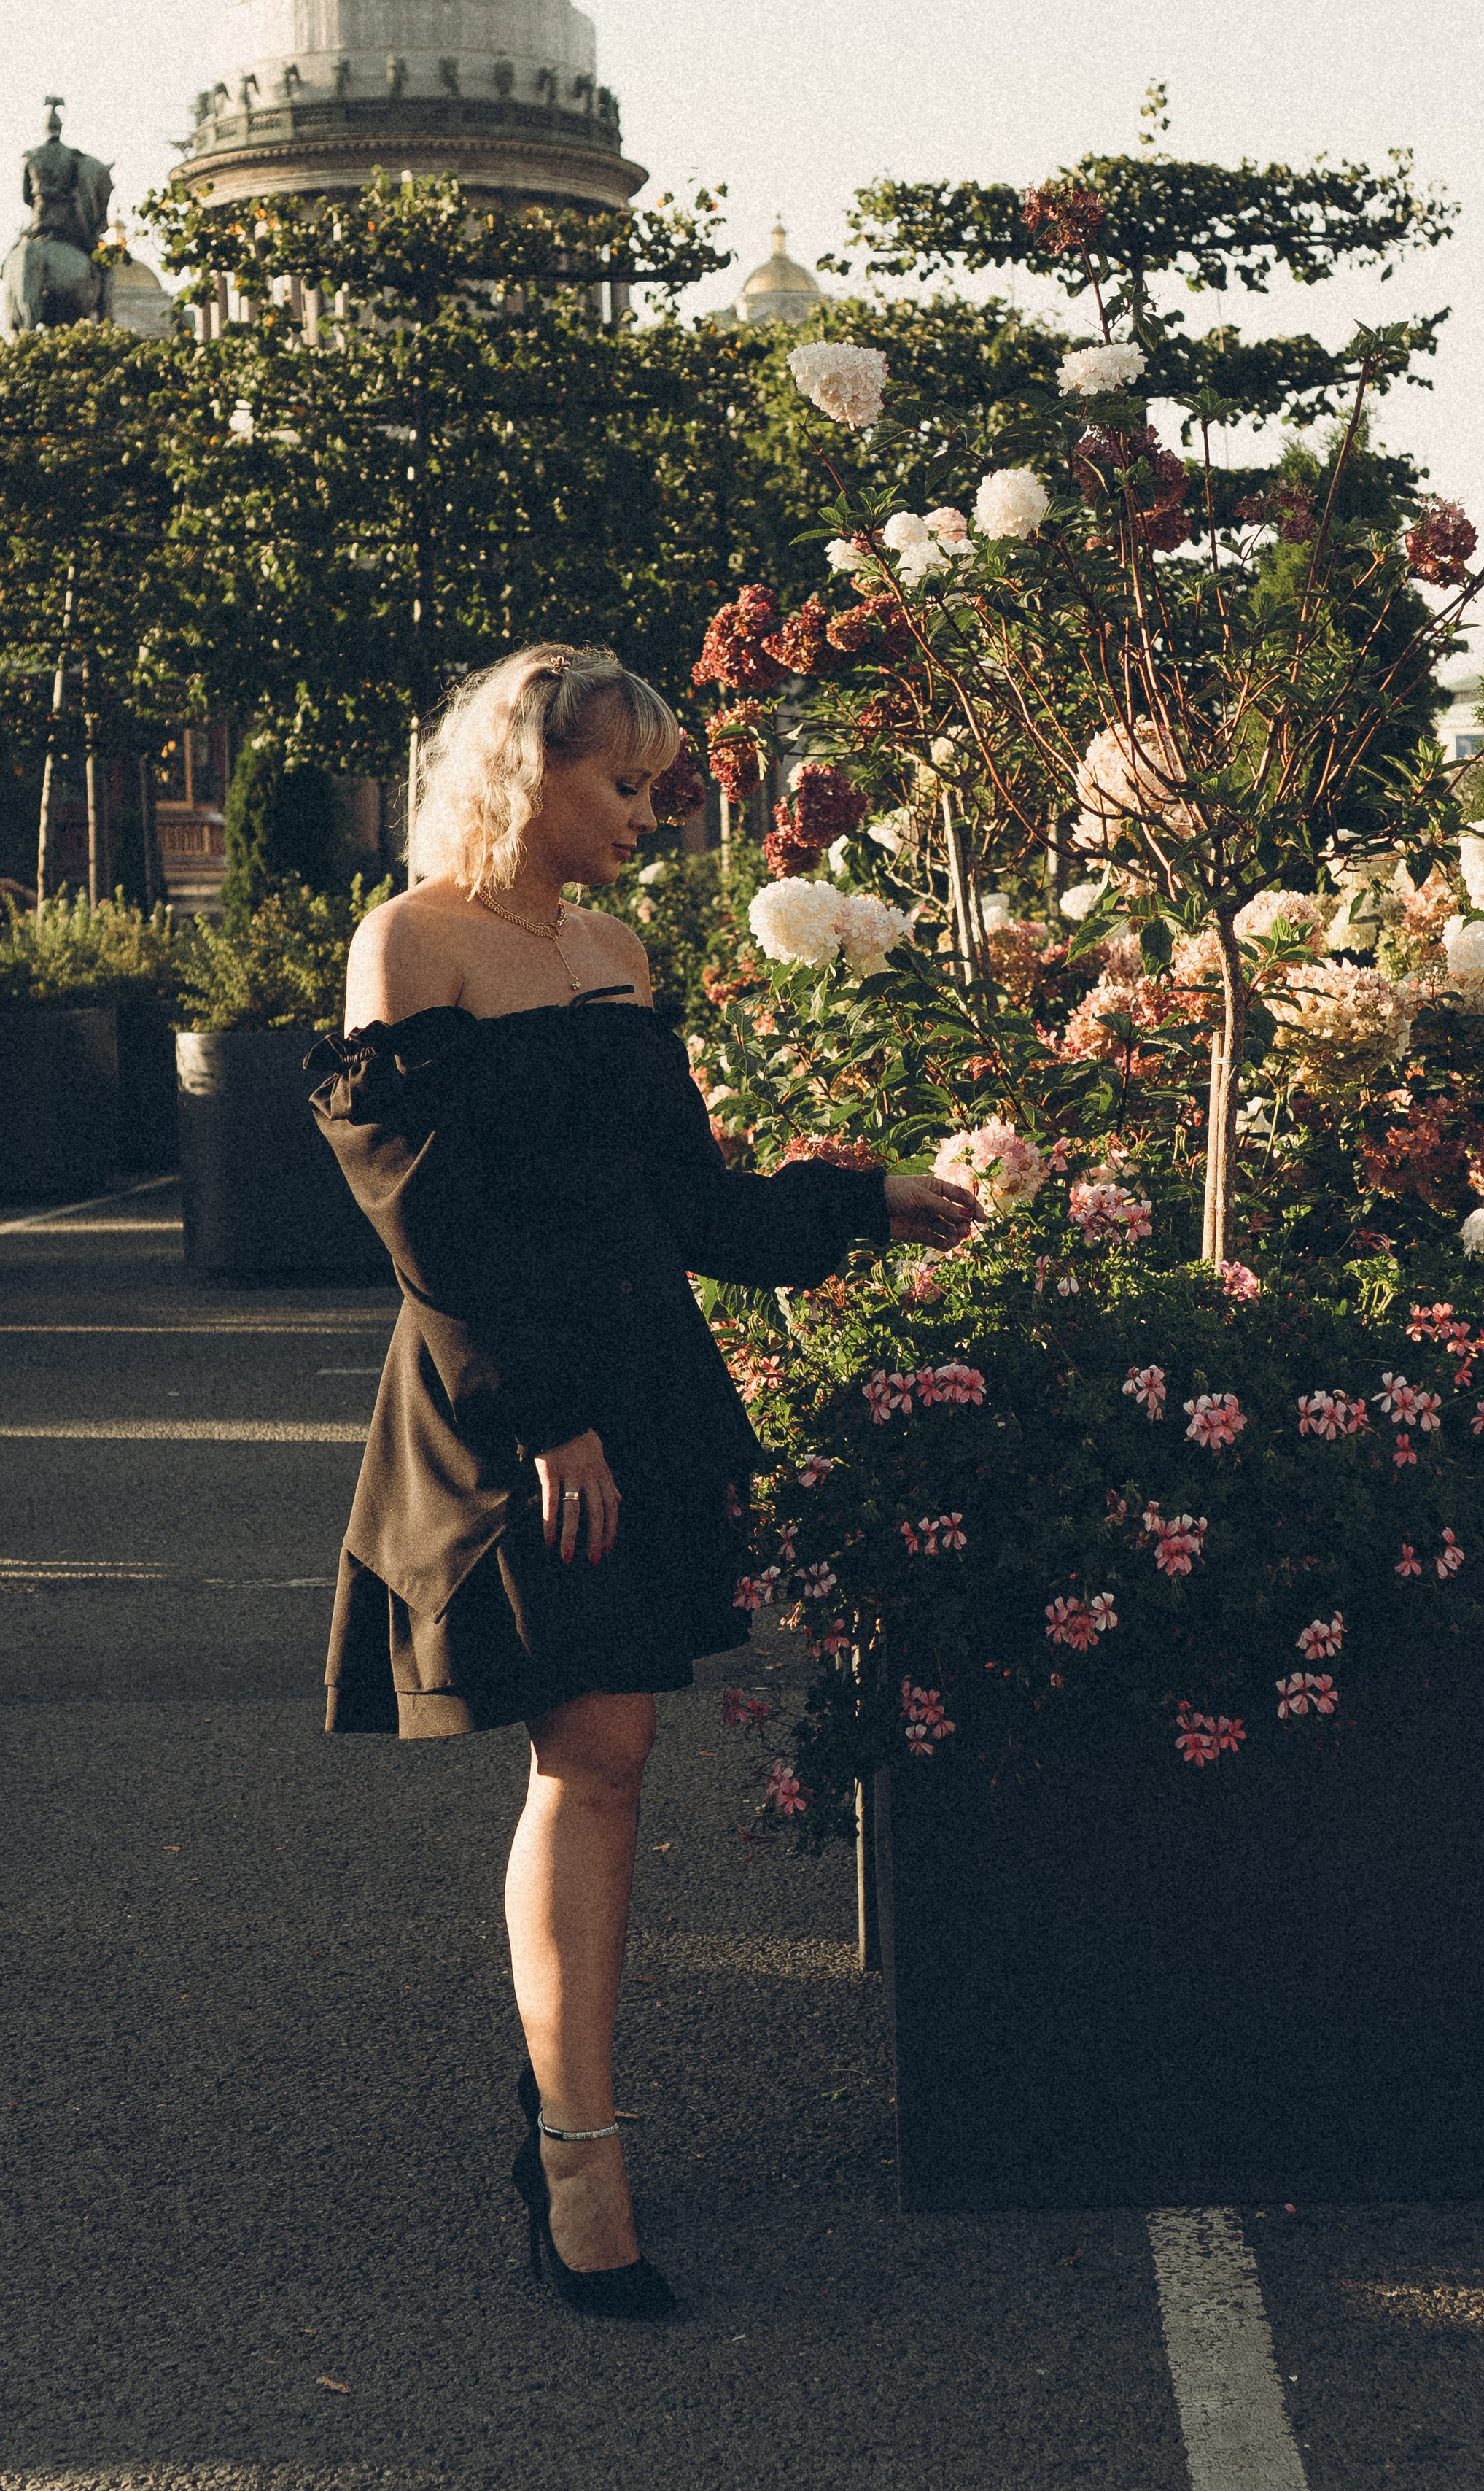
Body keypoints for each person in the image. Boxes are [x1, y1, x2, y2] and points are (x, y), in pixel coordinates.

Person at [309, 643, 981, 2319]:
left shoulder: (613, 951)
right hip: (512, 1402)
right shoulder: (411, 941)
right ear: (519, 774)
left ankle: (563, 2118)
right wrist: (546, 1422)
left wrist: (859, 1194)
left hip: (641, 1389)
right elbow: (424, 1218)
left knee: (613, 1754)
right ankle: (578, 2159)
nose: (646, 813)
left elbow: (682, 1208)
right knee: (590, 1754)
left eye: (653, 783)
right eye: (619, 783)